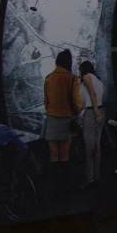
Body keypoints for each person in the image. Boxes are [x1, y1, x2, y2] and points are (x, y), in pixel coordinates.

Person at [43, 49, 82, 190]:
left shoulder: (48, 78)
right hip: (67, 120)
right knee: (65, 154)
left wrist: (52, 111)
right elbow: (77, 102)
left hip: (52, 120)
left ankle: (55, 187)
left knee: (54, 155)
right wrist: (77, 112)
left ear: (57, 62)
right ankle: (63, 186)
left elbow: (46, 102)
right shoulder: (72, 78)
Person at [77, 61, 104, 189]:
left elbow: (91, 95)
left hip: (92, 112)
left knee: (89, 146)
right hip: (100, 110)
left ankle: (89, 178)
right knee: (97, 145)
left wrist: (96, 113)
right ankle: (96, 176)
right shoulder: (98, 80)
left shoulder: (86, 77)